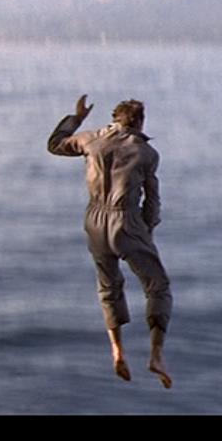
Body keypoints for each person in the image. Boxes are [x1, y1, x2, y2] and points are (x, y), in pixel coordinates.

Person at [48, 95, 173, 389]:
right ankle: (156, 355)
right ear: (139, 122)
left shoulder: (90, 140)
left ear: (115, 119)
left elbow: (55, 144)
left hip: (94, 221)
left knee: (108, 287)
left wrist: (77, 118)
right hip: (126, 222)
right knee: (157, 286)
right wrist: (146, 232)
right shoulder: (146, 153)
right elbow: (152, 202)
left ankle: (117, 350)